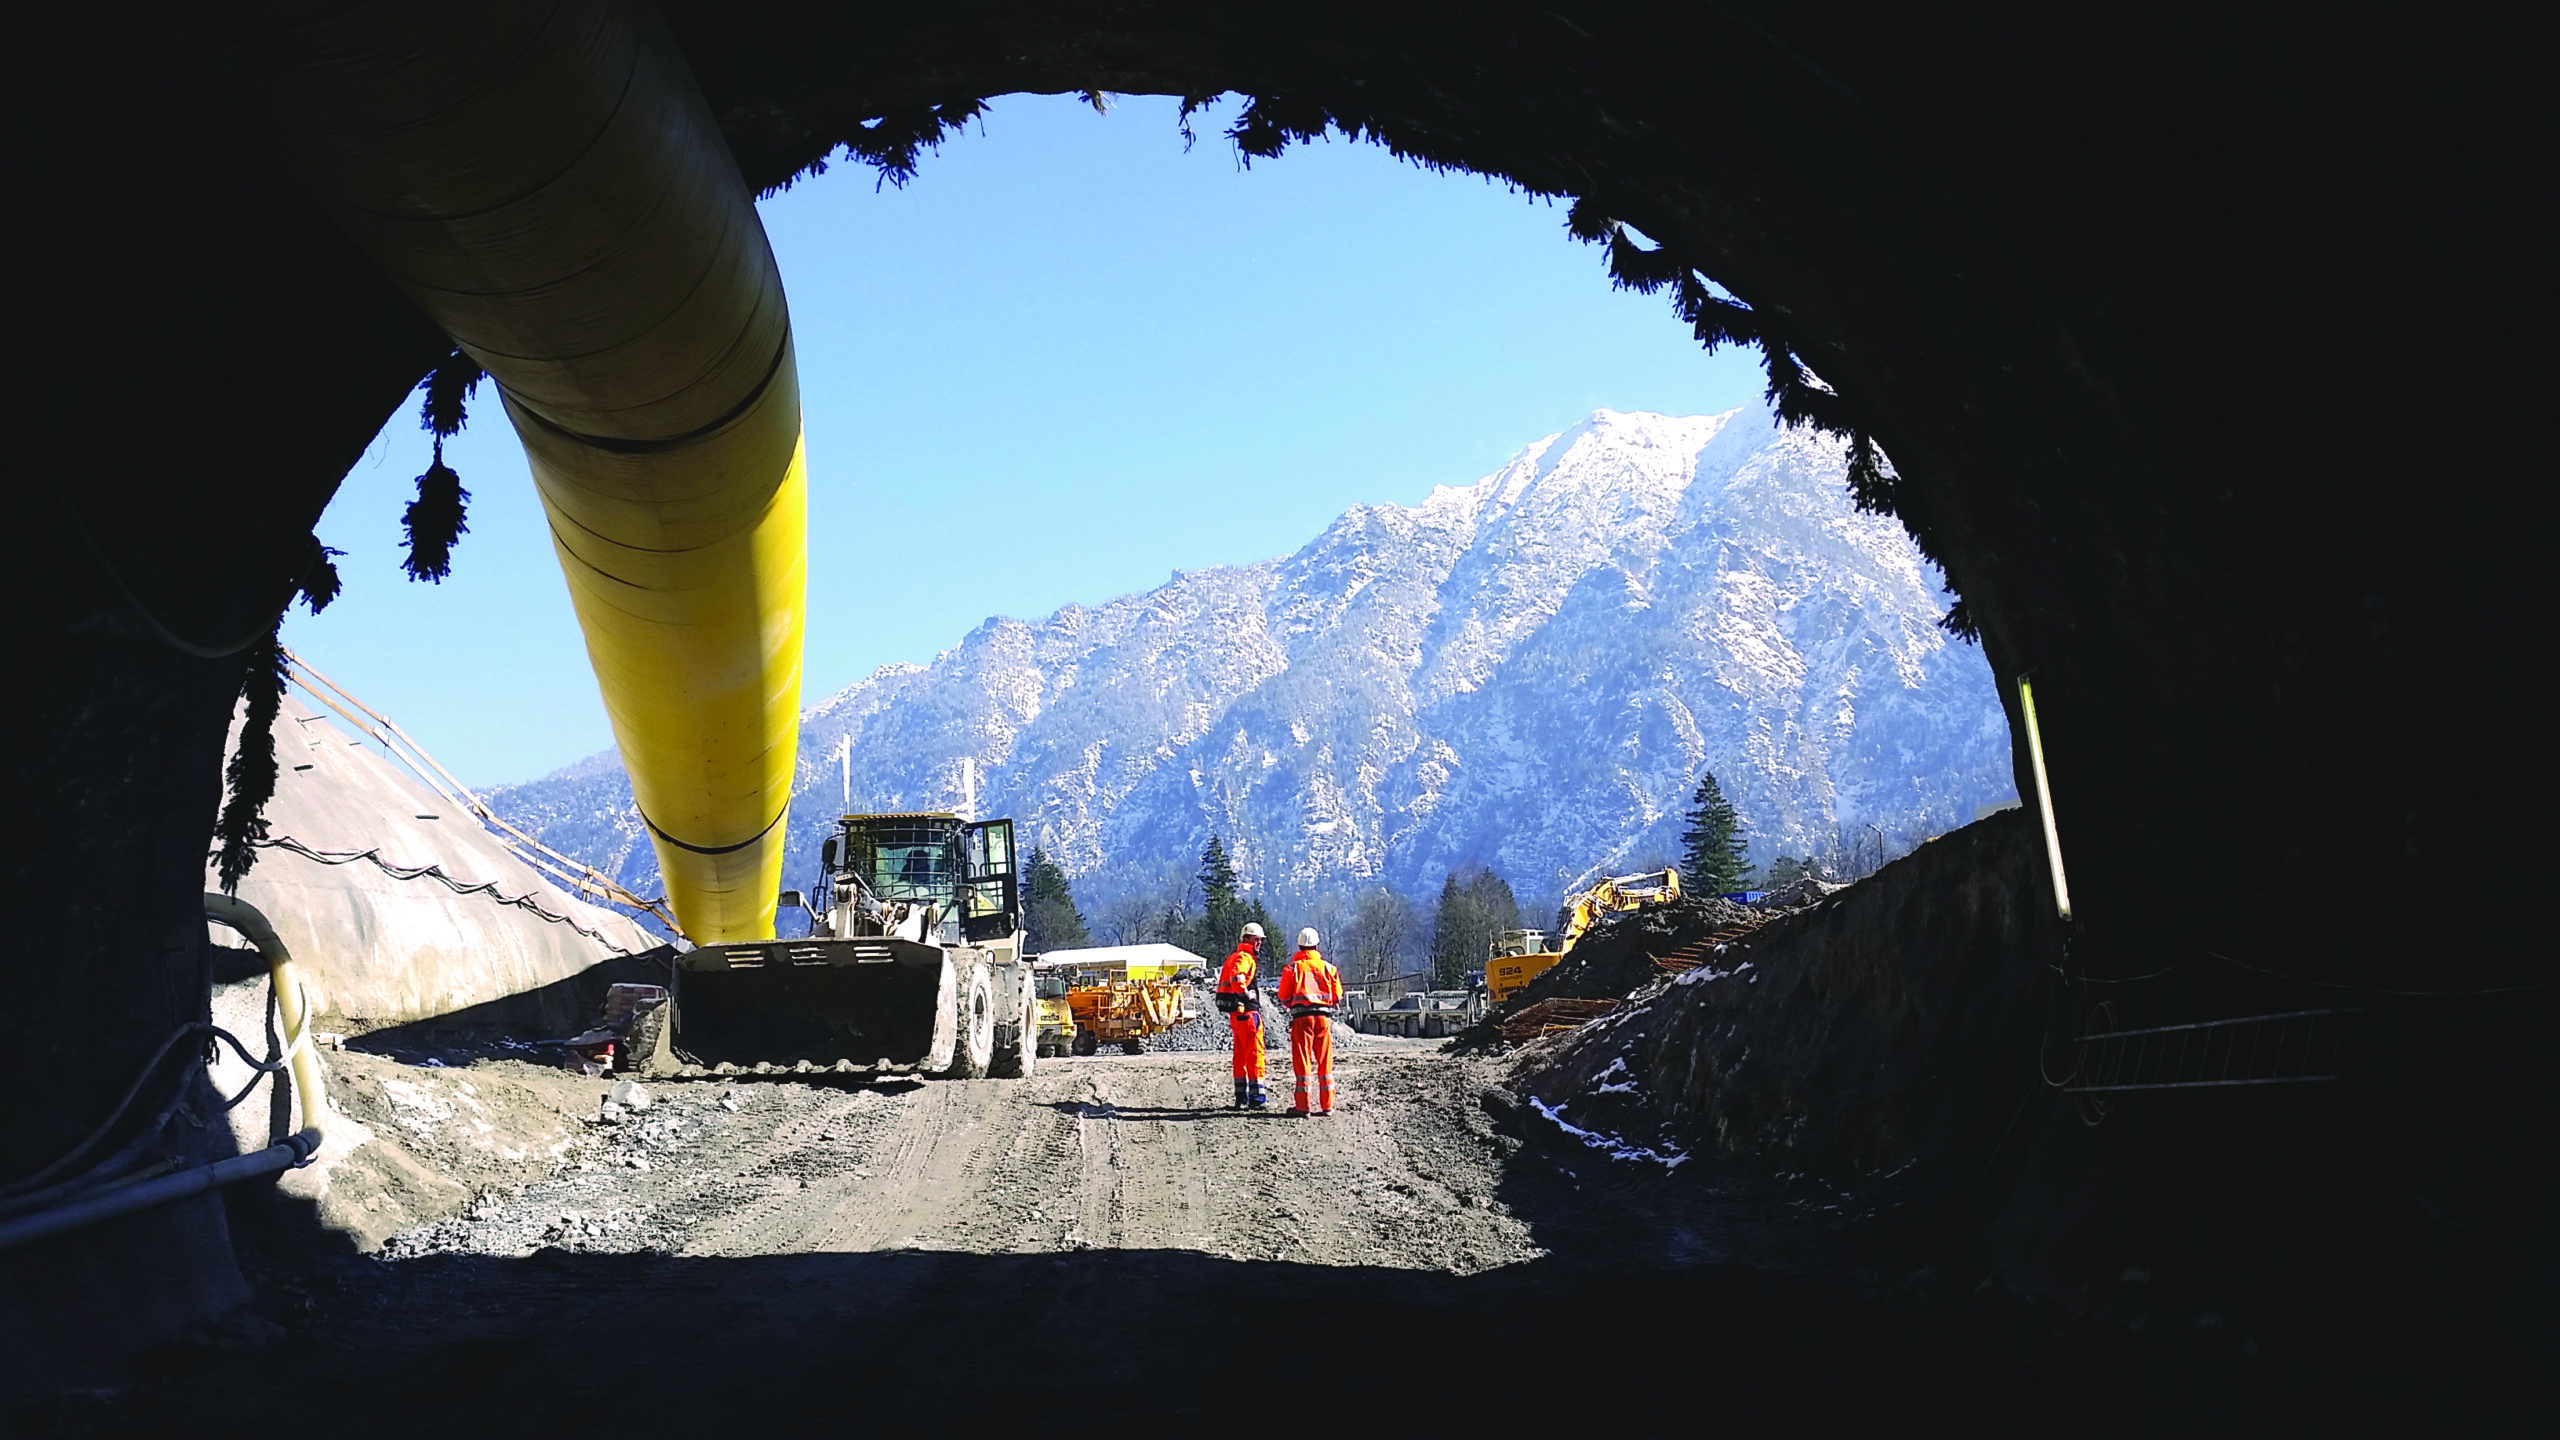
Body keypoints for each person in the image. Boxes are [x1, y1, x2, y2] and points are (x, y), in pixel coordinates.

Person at [1274, 927, 1344, 1116]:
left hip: (1301, 1019)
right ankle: (1327, 1105)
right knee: (1324, 1062)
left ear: (1299, 946)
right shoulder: (1329, 968)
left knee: (1303, 1061)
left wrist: (1294, 1004)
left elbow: (1283, 996)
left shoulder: (1292, 969)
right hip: (1323, 1019)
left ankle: (1303, 1107)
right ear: (1316, 945)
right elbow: (1337, 995)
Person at [1215, 922, 1269, 1109]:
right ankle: (1257, 1098)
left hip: (1236, 1016)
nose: (1259, 944)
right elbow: (1238, 978)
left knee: (1240, 1057)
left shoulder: (1232, 957)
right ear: (1248, 940)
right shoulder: (1246, 958)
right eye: (1257, 940)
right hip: (1247, 1013)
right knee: (1255, 1054)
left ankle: (1241, 1096)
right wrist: (1246, 993)